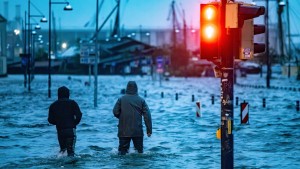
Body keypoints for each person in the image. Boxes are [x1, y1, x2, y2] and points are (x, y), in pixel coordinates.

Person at [113, 81, 152, 155]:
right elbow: (147, 116)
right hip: (137, 131)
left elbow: (115, 112)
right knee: (139, 153)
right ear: (136, 89)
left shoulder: (121, 99)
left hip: (123, 131)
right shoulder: (141, 100)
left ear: (126, 88)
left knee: (122, 153)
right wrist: (149, 130)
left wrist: (122, 117)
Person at [48, 86, 82, 157]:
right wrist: (74, 123)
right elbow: (79, 115)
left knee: (63, 151)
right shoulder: (73, 103)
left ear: (58, 94)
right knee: (71, 153)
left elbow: (50, 120)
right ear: (68, 94)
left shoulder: (53, 105)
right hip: (71, 130)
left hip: (60, 131)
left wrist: (58, 122)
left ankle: (62, 165)